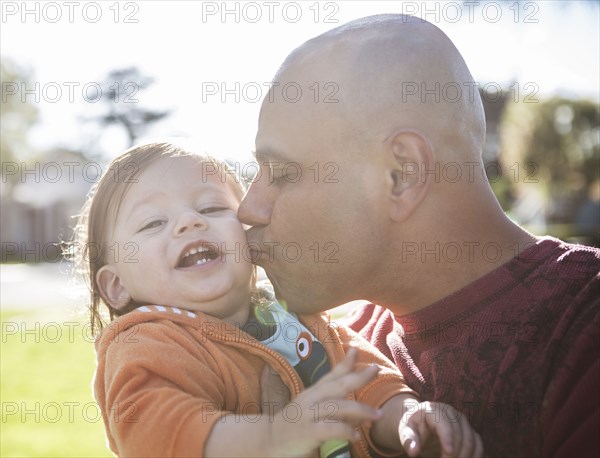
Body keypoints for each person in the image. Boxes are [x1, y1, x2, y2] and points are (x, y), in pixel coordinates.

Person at [237, 14, 600, 458]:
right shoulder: (329, 347)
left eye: (282, 173)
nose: (247, 209)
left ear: (401, 174)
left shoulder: (582, 328)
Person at [75, 142, 482, 457]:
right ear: (115, 286)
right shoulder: (146, 345)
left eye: (212, 207)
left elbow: (364, 381)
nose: (190, 221)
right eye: (153, 223)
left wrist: (407, 416)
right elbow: (164, 433)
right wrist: (277, 434)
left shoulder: (293, 318)